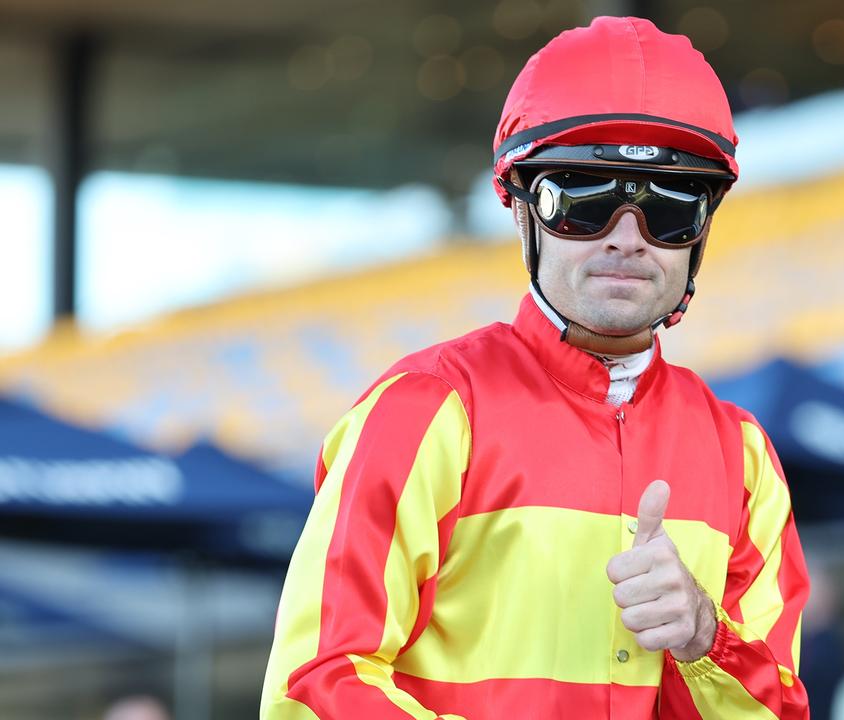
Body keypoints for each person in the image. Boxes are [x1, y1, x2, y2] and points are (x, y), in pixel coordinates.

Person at [261, 16, 810, 720]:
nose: (627, 237)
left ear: (703, 228)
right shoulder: (425, 410)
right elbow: (312, 685)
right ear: (521, 211)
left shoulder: (745, 461)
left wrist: (704, 641)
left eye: (672, 207)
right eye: (582, 199)